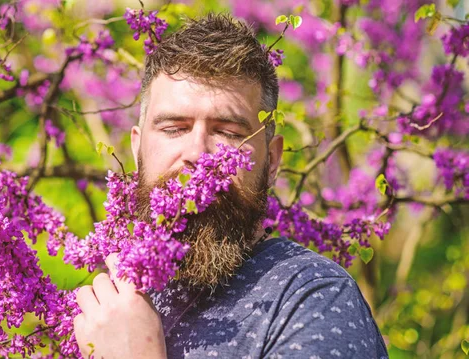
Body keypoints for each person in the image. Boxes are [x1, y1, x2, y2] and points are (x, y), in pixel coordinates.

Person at [73, 13, 389, 359]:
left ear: (272, 160)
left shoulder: (314, 297)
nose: (197, 154)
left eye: (228, 132)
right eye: (174, 128)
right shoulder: (110, 306)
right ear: (137, 150)